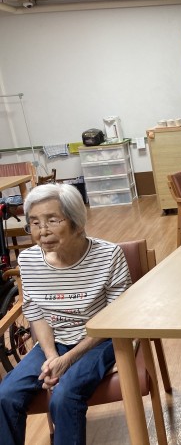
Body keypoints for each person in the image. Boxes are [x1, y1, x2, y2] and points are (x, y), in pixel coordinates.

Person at [0, 183, 131, 445]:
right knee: (6, 395)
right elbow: (36, 313)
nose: (42, 231)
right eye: (34, 223)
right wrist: (52, 357)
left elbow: (116, 318)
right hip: (53, 340)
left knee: (65, 396)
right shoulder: (28, 260)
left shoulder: (108, 256)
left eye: (52, 220)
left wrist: (68, 359)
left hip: (100, 339)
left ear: (77, 223)